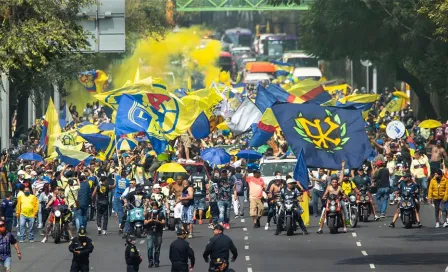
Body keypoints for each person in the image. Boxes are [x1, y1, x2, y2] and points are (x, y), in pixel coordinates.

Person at [144, 201, 165, 268]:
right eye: (153, 207)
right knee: (150, 247)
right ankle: (150, 261)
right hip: (150, 233)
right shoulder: (148, 214)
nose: (155, 209)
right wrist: (149, 220)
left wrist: (158, 221)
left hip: (158, 233)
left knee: (157, 248)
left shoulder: (161, 214)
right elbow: (145, 222)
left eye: (155, 207)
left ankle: (156, 261)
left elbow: (163, 223)